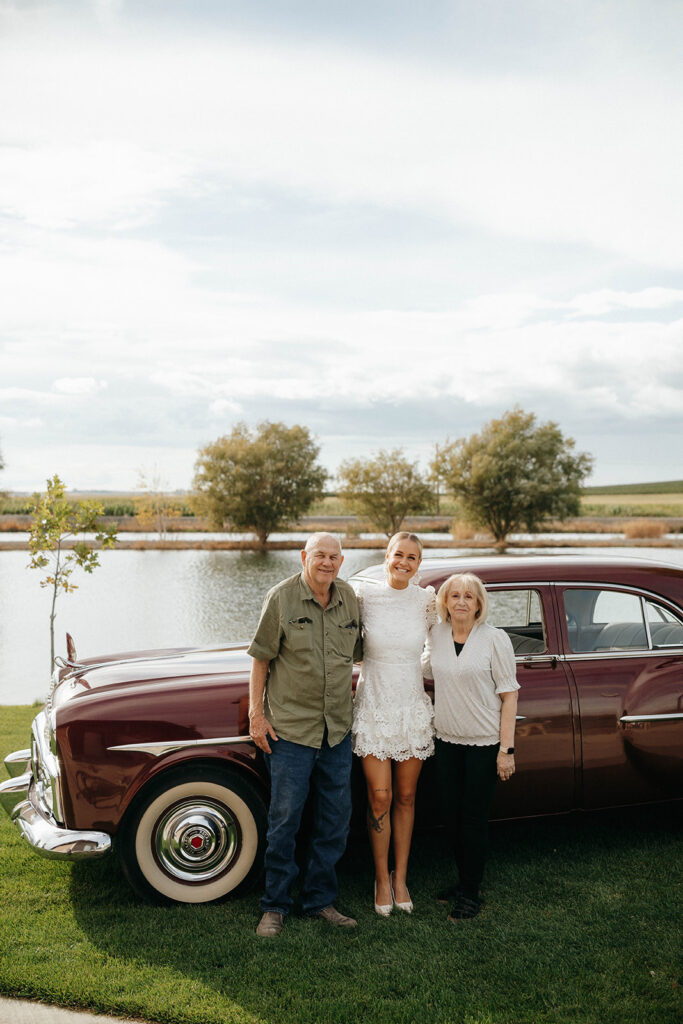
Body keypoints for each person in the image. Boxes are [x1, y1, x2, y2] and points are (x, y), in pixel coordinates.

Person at [247, 532, 362, 938]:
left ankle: (319, 901)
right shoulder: (281, 598)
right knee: (285, 821)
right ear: (303, 557)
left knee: (334, 821)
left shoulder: (349, 598)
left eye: (333, 556)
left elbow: (362, 652)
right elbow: (261, 659)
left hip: (336, 732)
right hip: (291, 732)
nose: (326, 563)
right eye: (319, 555)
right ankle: (275, 905)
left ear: (342, 560)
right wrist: (256, 715)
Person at [421, 572, 519, 921]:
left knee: (473, 820)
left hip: (483, 743)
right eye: (454, 596)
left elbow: (509, 696)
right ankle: (465, 881)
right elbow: (422, 667)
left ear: (479, 604)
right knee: (449, 816)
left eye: (469, 596)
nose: (461, 601)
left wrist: (506, 751)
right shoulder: (438, 633)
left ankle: (470, 893)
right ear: (444, 602)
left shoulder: (495, 639)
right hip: (446, 740)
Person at [351, 531, 436, 916]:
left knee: (405, 796)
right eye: (398, 554)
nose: (404, 562)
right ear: (386, 556)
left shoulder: (427, 601)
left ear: (419, 564)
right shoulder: (364, 598)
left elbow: (439, 647)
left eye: (412, 557)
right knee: (380, 796)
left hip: (412, 705)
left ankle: (400, 877)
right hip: (374, 704)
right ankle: (380, 878)